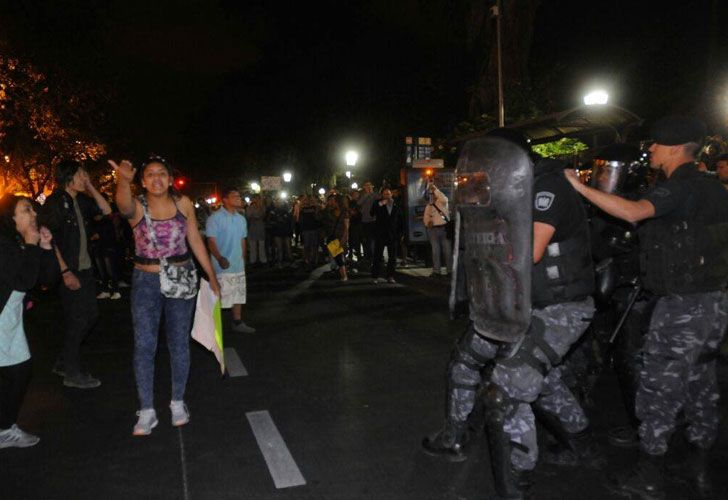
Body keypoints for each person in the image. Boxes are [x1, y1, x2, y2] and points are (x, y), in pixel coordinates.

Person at [422, 131, 600, 499]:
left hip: (558, 308)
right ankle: (455, 437)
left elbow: (528, 252)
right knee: (467, 363)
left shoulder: (546, 188)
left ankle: (517, 486)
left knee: (506, 392)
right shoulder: (506, 193)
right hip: (512, 304)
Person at [564, 115, 728, 499]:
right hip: (714, 303)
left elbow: (634, 212)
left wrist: (578, 186)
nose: (650, 149)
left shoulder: (682, 186)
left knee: (658, 389)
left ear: (673, 148)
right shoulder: (715, 190)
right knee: (701, 386)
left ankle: (650, 475)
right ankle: (699, 469)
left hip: (682, 306)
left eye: (655, 144)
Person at [110, 156, 220, 436]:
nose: (156, 178)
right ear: (143, 181)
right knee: (144, 345)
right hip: (146, 280)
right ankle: (146, 409)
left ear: (170, 179)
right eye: (150, 174)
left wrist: (211, 274)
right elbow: (122, 206)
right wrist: (122, 179)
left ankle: (177, 402)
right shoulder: (137, 205)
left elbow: (193, 237)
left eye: (162, 173)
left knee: (178, 342)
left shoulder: (183, 203)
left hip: (182, 280)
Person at [41, 159, 111, 389]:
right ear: (69, 177)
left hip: (84, 269)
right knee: (79, 319)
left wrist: (91, 187)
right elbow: (49, 240)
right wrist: (65, 271)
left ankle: (64, 361)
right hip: (69, 271)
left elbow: (106, 210)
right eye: (82, 175)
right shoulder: (55, 203)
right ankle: (72, 372)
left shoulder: (80, 200)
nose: (85, 178)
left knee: (89, 316)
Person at [0, 195, 56, 449]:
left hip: (10, 318)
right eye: (26, 210)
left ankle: (5, 427)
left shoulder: (17, 242)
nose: (33, 214)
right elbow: (23, 280)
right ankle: (4, 429)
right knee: (17, 372)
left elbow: (43, 280)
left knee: (18, 371)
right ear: (11, 219)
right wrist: (33, 246)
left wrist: (43, 248)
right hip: (2, 318)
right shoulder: (4, 245)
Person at [206, 187, 255, 334]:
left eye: (239, 196)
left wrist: (243, 259)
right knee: (220, 296)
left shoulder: (241, 219)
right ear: (225, 200)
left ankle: (237, 321)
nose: (239, 198)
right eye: (235, 196)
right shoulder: (214, 218)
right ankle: (212, 326)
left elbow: (242, 241)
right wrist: (219, 258)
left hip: (237, 264)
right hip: (222, 265)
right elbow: (211, 242)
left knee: (238, 294)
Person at [370, 188, 403, 283]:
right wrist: (381, 204)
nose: (387, 196)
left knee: (392, 257)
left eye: (389, 194)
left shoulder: (396, 204)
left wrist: (400, 233)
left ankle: (390, 276)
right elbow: (371, 213)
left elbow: (400, 219)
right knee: (378, 256)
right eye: (385, 194)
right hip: (380, 234)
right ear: (382, 195)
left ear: (391, 195)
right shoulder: (378, 203)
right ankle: (375, 276)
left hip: (393, 234)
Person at [422, 180, 452, 277]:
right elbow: (425, 218)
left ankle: (450, 270)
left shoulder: (442, 202)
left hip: (444, 229)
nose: (432, 195)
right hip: (433, 230)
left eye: (432, 194)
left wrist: (435, 189)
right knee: (435, 251)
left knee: (447, 250)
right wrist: (428, 223)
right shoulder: (428, 206)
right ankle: (436, 271)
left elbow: (443, 198)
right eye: (430, 194)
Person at [246, 195, 268, 266]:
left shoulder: (263, 207)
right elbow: (248, 216)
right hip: (252, 228)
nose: (256, 200)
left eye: (258, 199)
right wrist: (255, 214)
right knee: (253, 245)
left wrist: (258, 210)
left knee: (261, 245)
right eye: (255, 199)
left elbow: (262, 215)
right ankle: (253, 260)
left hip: (260, 227)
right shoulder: (249, 207)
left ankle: (263, 260)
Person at [358, 181, 377, 262]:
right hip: (364, 220)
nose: (368, 187)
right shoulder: (362, 196)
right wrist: (367, 194)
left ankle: (373, 256)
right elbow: (359, 203)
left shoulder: (375, 195)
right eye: (366, 186)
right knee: (366, 239)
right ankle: (368, 255)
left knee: (372, 239)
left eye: (370, 185)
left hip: (374, 220)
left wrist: (371, 194)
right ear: (364, 187)